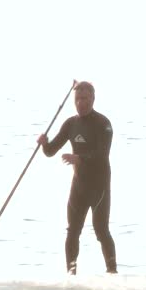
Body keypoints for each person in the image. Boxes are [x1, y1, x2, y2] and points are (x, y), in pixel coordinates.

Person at [37, 80, 117, 275]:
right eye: (78, 99)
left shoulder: (103, 123)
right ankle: (71, 274)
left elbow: (102, 154)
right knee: (72, 231)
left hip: (99, 186)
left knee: (101, 231)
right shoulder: (71, 124)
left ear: (93, 99)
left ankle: (112, 272)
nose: (81, 103)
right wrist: (44, 144)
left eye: (85, 99)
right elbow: (51, 151)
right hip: (79, 186)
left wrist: (79, 158)